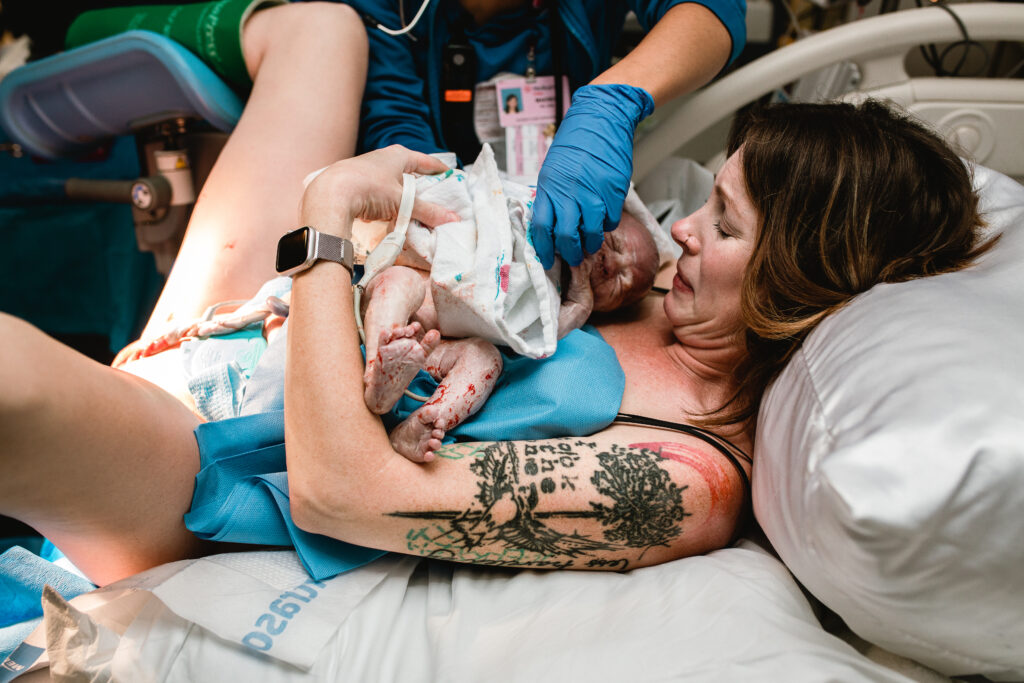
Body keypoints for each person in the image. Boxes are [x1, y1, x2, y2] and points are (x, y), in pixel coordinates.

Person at [0, 100, 992, 588]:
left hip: (209, 468)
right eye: (707, 202)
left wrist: (325, 231)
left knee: (15, 387)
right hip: (267, 347)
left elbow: (338, 490)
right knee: (319, 26)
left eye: (724, 226)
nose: (687, 228)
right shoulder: (652, 283)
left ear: (802, 281)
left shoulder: (681, 480)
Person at [337, 0, 747, 267]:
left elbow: (715, 10)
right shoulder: (385, 15)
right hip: (421, 217)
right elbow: (394, 121)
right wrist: (458, 216)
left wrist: (614, 99)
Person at [360, 204, 660, 461]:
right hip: (409, 286)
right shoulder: (539, 223)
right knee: (399, 283)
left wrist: (579, 303)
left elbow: (540, 339)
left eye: (623, 282)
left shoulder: (564, 306)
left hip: (428, 347)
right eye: (617, 245)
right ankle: (378, 373)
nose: (614, 265)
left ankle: (419, 425)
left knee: (485, 359)